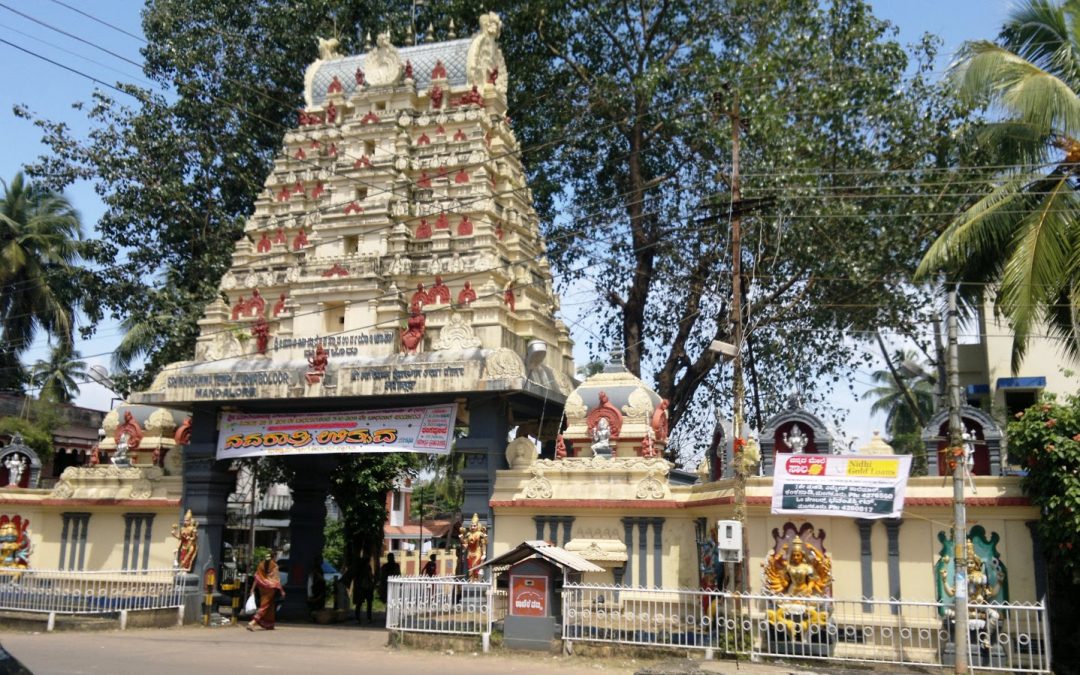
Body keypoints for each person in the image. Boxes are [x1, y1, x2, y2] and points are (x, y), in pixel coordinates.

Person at [248, 554, 285, 631]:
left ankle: (269, 624)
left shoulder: (261, 565)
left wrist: (252, 588)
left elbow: (256, 577)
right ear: (273, 557)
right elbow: (276, 580)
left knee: (270, 605)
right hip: (270, 588)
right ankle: (253, 622)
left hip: (261, 587)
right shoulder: (274, 566)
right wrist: (281, 590)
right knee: (265, 606)